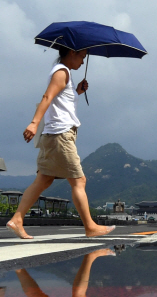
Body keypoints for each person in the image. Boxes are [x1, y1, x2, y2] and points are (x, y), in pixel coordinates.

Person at [7, 47, 116, 240]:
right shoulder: (61, 72)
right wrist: (34, 123)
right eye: (82, 56)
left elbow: (60, 101)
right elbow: (47, 97)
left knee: (43, 180)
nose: (83, 61)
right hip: (60, 136)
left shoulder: (63, 73)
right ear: (72, 52)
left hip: (54, 135)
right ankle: (90, 227)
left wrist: (77, 92)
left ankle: (17, 219)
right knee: (79, 181)